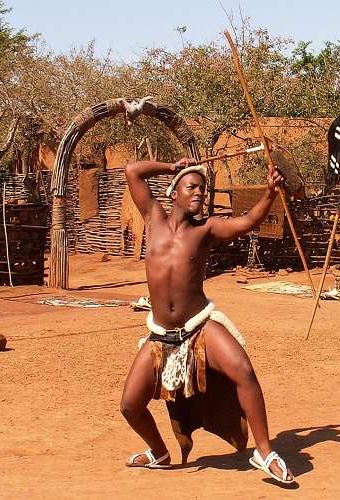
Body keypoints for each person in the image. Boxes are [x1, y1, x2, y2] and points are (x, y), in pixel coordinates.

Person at [120, 158, 294, 484]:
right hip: (160, 337)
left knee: (243, 370)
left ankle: (265, 451)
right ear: (174, 193)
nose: (200, 192)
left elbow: (247, 222)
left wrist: (270, 193)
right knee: (130, 405)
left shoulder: (206, 230)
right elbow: (133, 171)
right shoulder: (153, 218)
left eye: (203, 188)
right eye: (192, 186)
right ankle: (158, 452)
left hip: (199, 327)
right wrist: (172, 166)